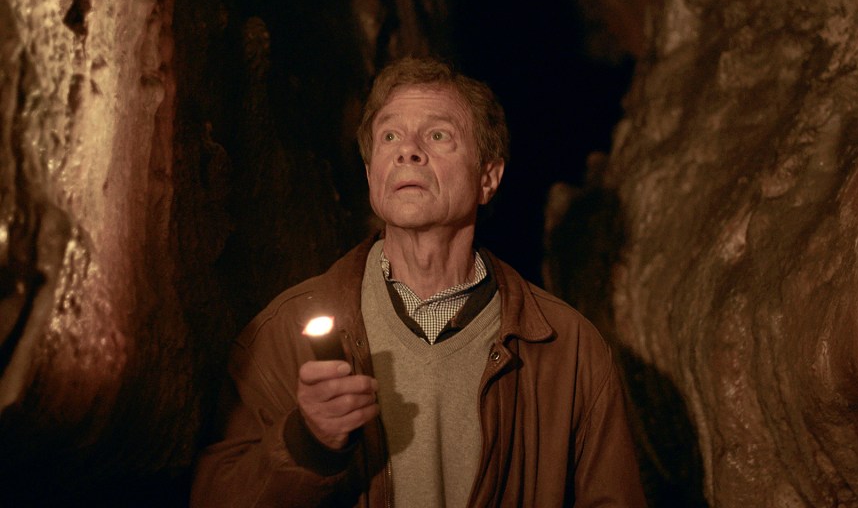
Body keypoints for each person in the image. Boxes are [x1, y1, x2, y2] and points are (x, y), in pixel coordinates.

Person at [191, 57, 647, 507]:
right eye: (389, 135)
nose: (407, 150)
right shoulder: (283, 334)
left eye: (437, 135)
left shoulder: (566, 349)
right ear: (372, 174)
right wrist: (308, 444)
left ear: (488, 178)